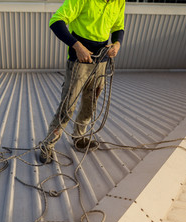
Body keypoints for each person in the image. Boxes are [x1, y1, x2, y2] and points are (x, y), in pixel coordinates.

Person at [39, 0, 125, 164]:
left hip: (101, 60)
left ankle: (79, 137)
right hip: (79, 62)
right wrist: (77, 47)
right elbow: (56, 21)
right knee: (68, 105)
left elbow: (118, 26)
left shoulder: (119, 1)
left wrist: (117, 44)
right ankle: (47, 145)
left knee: (90, 103)